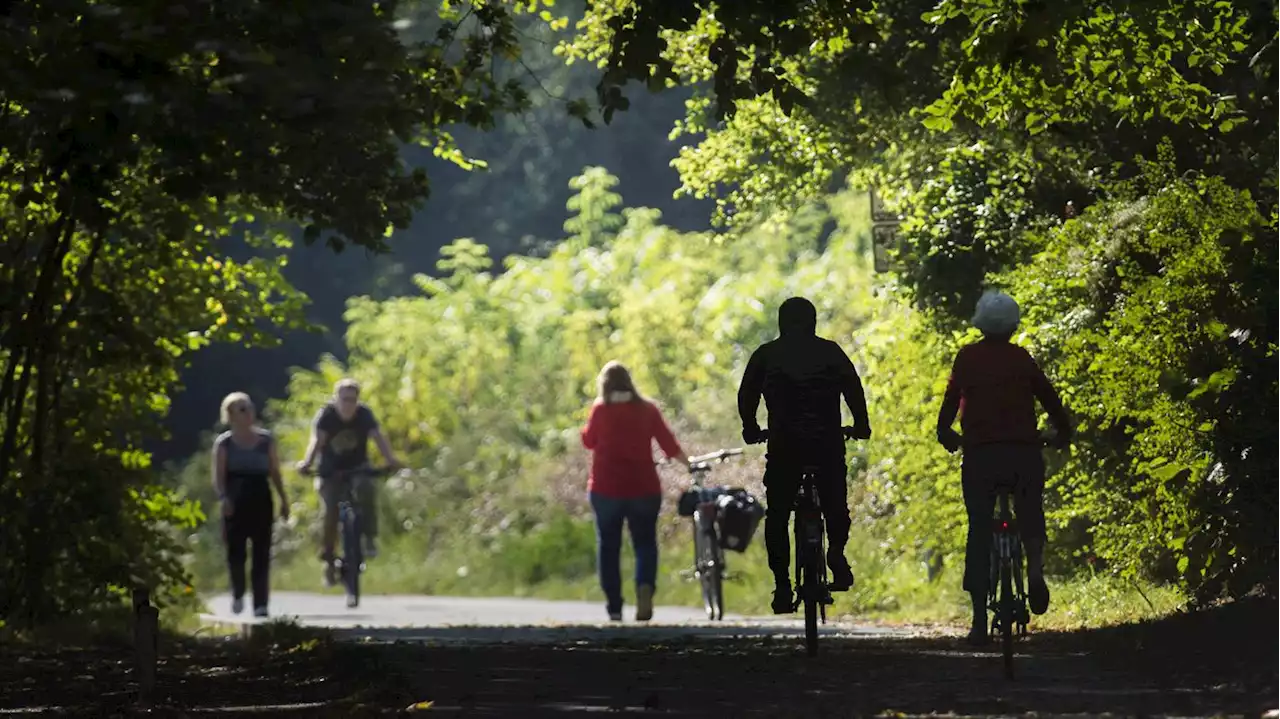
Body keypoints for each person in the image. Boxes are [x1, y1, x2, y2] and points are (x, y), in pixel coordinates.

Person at [935, 289, 1073, 645]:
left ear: (980, 324)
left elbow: (951, 402)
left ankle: (979, 621)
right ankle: (1035, 571)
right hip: (1021, 454)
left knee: (980, 529)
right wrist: (1062, 432)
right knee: (1029, 509)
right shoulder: (1021, 358)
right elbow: (1049, 398)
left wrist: (945, 433)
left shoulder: (967, 359)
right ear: (1013, 325)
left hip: (981, 457)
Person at [738, 297, 872, 615]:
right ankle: (836, 553)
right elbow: (853, 388)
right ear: (813, 322)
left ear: (781, 323)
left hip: (785, 447)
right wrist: (862, 426)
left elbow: (747, 394)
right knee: (835, 506)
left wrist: (751, 428)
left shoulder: (766, 355)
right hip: (826, 444)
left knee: (779, 515)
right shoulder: (830, 352)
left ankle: (783, 585)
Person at [581, 361, 690, 622]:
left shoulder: (600, 409)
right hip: (643, 488)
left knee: (609, 546)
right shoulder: (647, 409)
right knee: (644, 543)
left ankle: (615, 605)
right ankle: (644, 587)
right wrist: (689, 464)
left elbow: (588, 440)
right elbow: (668, 444)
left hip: (606, 489)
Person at [296, 378, 402, 588]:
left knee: (367, 489)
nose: (348, 404)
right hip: (330, 471)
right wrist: (307, 463)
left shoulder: (364, 415)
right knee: (330, 511)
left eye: (352, 400)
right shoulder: (327, 416)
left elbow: (377, 437)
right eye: (344, 399)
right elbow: (316, 441)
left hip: (357, 468)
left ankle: (369, 538)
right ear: (336, 399)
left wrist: (390, 459)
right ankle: (328, 559)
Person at [212, 392, 289, 617]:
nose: (249, 413)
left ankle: (261, 603)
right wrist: (223, 498)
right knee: (236, 552)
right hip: (235, 499)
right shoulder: (224, 443)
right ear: (231, 415)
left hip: (261, 496)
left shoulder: (266, 441)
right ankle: (237, 592)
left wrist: (284, 499)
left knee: (262, 551)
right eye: (242, 409)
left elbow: (275, 472)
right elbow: (218, 476)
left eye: (250, 408)